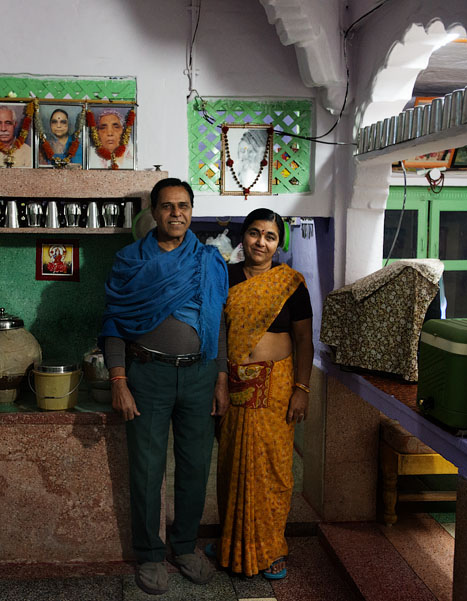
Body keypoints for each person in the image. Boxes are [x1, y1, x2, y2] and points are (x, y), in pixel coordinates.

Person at [100, 178, 229, 595]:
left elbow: (218, 325)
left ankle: (185, 547)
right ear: (154, 212)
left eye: (184, 206)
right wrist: (118, 381)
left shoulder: (209, 260)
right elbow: (115, 322)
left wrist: (221, 378)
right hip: (147, 376)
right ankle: (150, 554)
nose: (177, 213)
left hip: (199, 376)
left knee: (195, 468)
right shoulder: (130, 262)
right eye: (168, 206)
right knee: (147, 469)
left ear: (192, 211)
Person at [212, 208, 313, 580]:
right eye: (255, 233)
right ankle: (231, 543)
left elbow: (304, 340)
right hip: (235, 383)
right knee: (231, 466)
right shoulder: (225, 277)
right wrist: (219, 381)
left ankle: (271, 549)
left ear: (278, 243)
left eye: (270, 236)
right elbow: (218, 334)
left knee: (273, 469)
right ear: (244, 236)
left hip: (277, 386)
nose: (261, 242)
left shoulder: (291, 284)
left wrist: (301, 389)